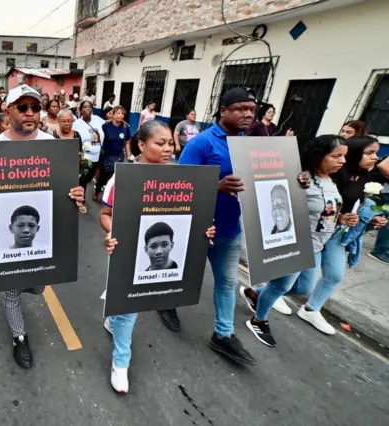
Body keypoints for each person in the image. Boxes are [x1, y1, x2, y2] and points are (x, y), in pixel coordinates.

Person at [0, 84, 84, 369]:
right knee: (11, 291)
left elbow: (66, 191)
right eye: (22, 107)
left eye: (35, 108)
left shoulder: (54, 147)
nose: (30, 113)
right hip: (6, 239)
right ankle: (19, 337)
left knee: (38, 287)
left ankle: (18, 288)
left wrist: (75, 195)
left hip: (41, 237)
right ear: (7, 110)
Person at [100, 120, 215, 393]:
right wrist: (111, 233)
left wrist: (205, 229)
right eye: (159, 143)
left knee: (126, 307)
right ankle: (121, 363)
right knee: (130, 309)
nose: (168, 150)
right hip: (125, 252)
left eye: (170, 144)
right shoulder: (122, 178)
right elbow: (106, 215)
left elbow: (194, 217)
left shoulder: (182, 179)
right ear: (141, 144)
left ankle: (112, 319)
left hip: (156, 262)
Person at [240, 135, 349, 346]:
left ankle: (254, 293)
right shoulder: (301, 179)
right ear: (319, 156)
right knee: (280, 286)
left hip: (316, 246)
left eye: (344, 156)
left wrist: (342, 218)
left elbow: (326, 211)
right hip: (295, 244)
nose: (342, 161)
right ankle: (258, 320)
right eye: (336, 156)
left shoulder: (331, 181)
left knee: (303, 288)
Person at [178, 87, 258, 365]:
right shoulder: (202, 144)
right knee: (179, 276)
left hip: (230, 231)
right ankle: (165, 303)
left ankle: (223, 336)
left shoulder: (250, 144)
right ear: (223, 111)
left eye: (251, 109)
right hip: (197, 229)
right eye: (240, 108)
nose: (247, 114)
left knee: (227, 282)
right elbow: (179, 186)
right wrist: (217, 186)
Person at [73, 101, 105, 210]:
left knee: (90, 177)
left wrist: (122, 121)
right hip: (85, 156)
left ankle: (79, 196)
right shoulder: (77, 123)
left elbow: (108, 123)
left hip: (98, 155)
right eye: (85, 107)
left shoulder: (97, 119)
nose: (88, 109)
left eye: (90, 107)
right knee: (83, 179)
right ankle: (80, 200)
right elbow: (74, 138)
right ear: (81, 110)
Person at [96, 106, 130, 201]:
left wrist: (129, 155)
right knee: (103, 177)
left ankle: (108, 198)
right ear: (113, 115)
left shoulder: (125, 127)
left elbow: (127, 142)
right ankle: (97, 191)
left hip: (119, 156)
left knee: (113, 179)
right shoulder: (105, 126)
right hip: (106, 155)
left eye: (122, 114)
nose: (120, 115)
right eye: (118, 113)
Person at [53, 109, 85, 212]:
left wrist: (81, 159)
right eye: (63, 121)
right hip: (57, 174)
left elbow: (80, 151)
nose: (66, 124)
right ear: (58, 121)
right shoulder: (52, 136)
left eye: (69, 121)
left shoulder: (77, 135)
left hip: (73, 173)